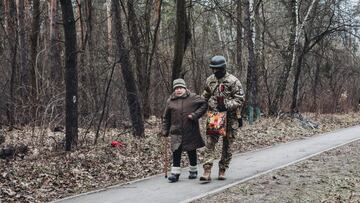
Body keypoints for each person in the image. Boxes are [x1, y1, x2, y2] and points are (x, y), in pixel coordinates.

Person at [200, 55, 245, 181]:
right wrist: (199, 105)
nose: (215, 71)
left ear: (223, 67)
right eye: (213, 69)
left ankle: (222, 169)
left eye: (218, 69)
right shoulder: (210, 80)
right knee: (210, 143)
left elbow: (240, 99)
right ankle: (207, 170)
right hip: (215, 116)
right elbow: (205, 94)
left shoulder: (233, 81)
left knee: (228, 144)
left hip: (231, 117)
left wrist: (226, 105)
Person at [162, 78, 208, 182]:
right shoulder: (170, 101)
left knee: (191, 150)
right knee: (176, 151)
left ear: (185, 88)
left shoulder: (193, 97)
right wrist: (165, 130)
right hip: (176, 131)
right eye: (176, 88)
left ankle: (193, 170)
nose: (178, 90)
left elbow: (204, 104)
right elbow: (166, 117)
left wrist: (195, 115)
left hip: (190, 130)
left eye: (180, 88)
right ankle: (175, 173)